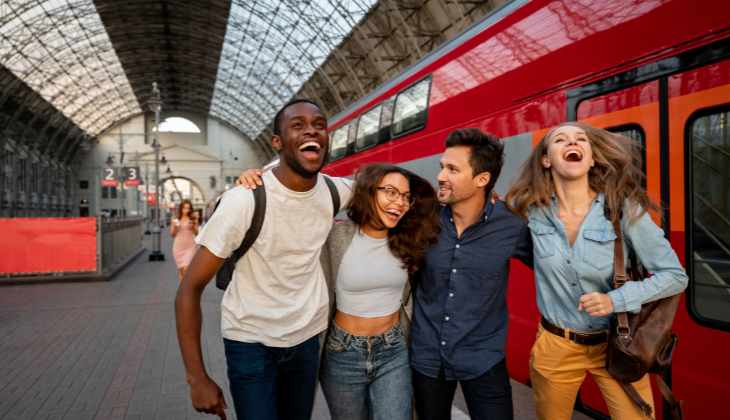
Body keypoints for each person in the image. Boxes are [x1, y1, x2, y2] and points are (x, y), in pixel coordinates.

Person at [174, 98, 352, 420]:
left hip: (307, 340)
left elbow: (388, 188)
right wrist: (196, 377)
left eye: (319, 125)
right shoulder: (244, 200)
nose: (311, 130)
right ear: (277, 141)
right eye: (297, 125)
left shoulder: (334, 191)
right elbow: (189, 288)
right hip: (251, 345)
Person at [506, 122, 688, 420]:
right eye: (560, 139)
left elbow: (675, 275)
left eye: (581, 140)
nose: (571, 143)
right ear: (546, 159)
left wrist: (615, 299)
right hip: (556, 343)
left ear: (591, 158)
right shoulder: (531, 211)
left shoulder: (623, 210)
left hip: (618, 344)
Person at [410, 128, 532, 420]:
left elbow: (555, 269)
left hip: (483, 358)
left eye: (452, 169)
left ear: (482, 179)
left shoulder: (511, 226)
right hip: (427, 359)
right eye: (442, 167)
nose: (440, 175)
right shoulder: (423, 219)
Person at [320, 163, 438, 420]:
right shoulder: (335, 235)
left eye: (406, 197)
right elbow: (294, 207)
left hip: (393, 350)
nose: (400, 203)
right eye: (390, 192)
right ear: (369, 192)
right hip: (342, 352)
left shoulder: (409, 238)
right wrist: (258, 182)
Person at [170, 199, 199, 281]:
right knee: (181, 270)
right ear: (181, 209)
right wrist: (175, 227)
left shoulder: (193, 218)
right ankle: (183, 291)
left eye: (188, 208)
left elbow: (197, 233)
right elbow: (172, 234)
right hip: (178, 247)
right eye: (184, 208)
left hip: (190, 246)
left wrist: (192, 227)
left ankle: (187, 290)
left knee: (186, 269)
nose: (186, 210)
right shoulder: (175, 219)